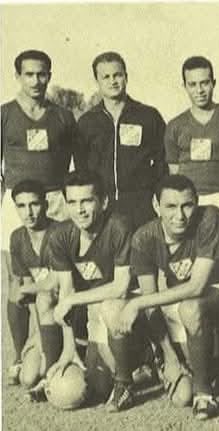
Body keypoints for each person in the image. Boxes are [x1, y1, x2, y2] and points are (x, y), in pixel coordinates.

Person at [112, 174, 219, 420]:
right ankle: (160, 360)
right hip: (175, 301)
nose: (179, 215)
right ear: (156, 206)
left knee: (191, 309)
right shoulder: (144, 237)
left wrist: (135, 302)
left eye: (187, 205)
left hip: (217, 292)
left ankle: (205, 392)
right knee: (181, 396)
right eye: (170, 206)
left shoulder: (209, 217)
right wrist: (169, 357)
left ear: (197, 203)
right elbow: (151, 300)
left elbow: (197, 286)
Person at [44, 170, 146, 412]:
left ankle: (126, 382)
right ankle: (137, 363)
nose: (80, 209)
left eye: (87, 201)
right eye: (72, 202)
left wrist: (74, 299)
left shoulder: (119, 226)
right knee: (98, 388)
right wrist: (69, 348)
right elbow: (66, 292)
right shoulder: (60, 236)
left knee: (111, 307)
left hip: (129, 306)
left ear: (104, 201)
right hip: (92, 311)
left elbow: (121, 287)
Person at [1, 49, 74, 297]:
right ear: (18, 76)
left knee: (61, 273)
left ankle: (66, 334)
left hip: (54, 200)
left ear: (49, 76)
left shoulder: (63, 116)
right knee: (17, 279)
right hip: (17, 201)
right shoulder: (5, 114)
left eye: (41, 75)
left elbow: (74, 163)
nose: (35, 81)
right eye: (29, 74)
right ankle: (19, 338)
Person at [164, 56, 219, 263]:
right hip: (188, 203)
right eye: (192, 84)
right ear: (184, 86)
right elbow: (174, 174)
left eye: (204, 83)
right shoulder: (175, 126)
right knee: (188, 260)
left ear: (213, 83)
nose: (199, 90)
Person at [75, 51, 167, 231]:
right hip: (101, 207)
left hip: (141, 206)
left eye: (117, 75)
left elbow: (162, 160)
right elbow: (81, 167)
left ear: (126, 76)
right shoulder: (87, 121)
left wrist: (157, 196)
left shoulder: (148, 116)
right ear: (97, 81)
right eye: (106, 77)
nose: (113, 81)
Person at [7, 180, 60, 388]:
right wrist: (38, 333)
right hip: (44, 311)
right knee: (28, 379)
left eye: (34, 204)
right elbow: (29, 293)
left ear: (45, 205)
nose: (28, 212)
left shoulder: (60, 233)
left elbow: (57, 284)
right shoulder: (17, 238)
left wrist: (26, 289)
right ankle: (21, 356)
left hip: (67, 311)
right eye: (21, 206)